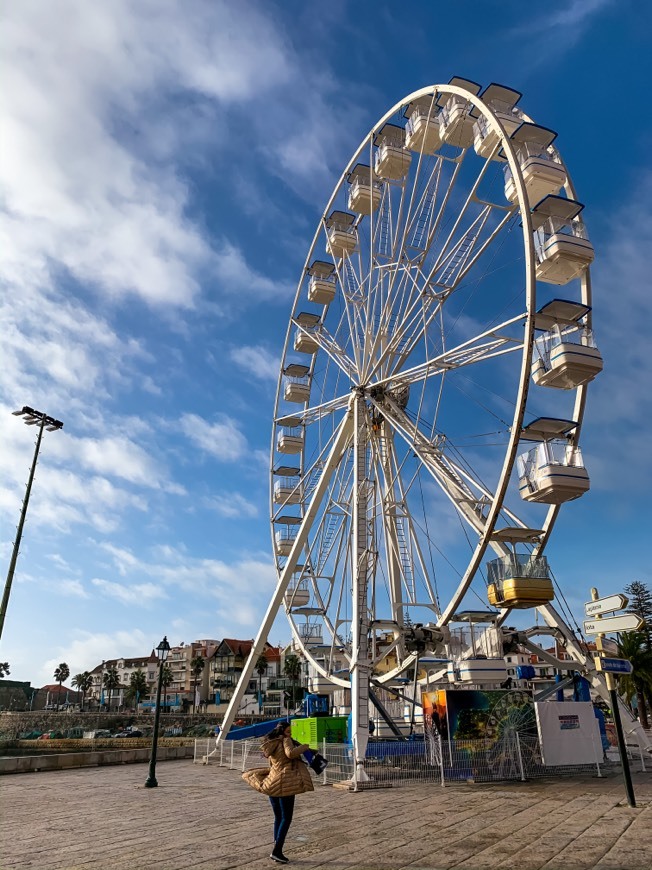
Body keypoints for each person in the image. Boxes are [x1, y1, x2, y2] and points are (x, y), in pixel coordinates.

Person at [242, 721, 314, 863]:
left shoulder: (271, 744)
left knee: (278, 817)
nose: (290, 734)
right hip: (286, 784)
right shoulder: (285, 741)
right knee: (286, 818)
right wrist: (305, 747)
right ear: (282, 732)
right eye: (288, 732)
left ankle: (277, 847)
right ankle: (277, 851)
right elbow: (290, 753)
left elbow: (272, 764)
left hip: (272, 783)